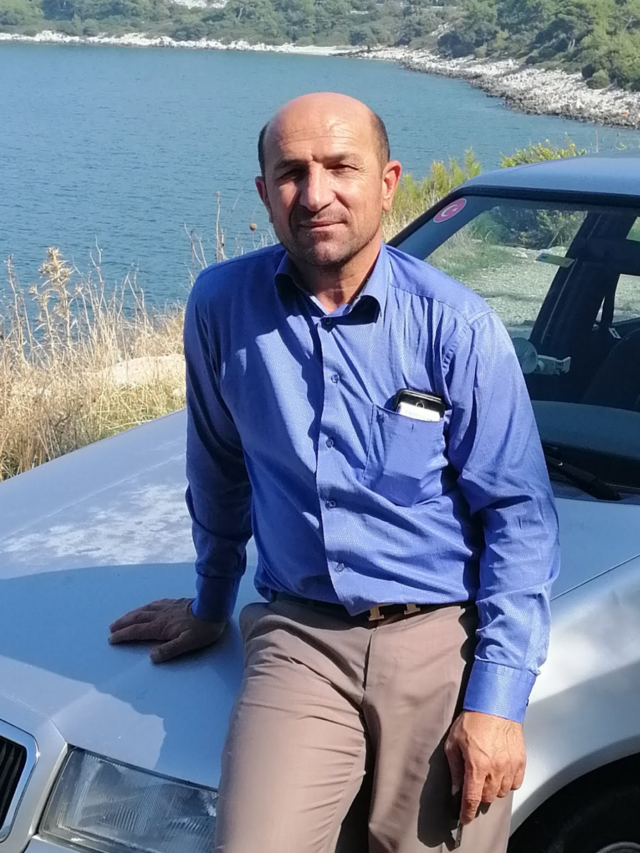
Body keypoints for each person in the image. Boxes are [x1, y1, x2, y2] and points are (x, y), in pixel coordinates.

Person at [109, 92, 560, 853]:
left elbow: (518, 519)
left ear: (387, 183)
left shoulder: (456, 327)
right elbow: (218, 467)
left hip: (439, 637)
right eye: (292, 173)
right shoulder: (222, 306)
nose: (315, 194)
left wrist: (497, 702)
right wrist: (211, 602)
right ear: (264, 193)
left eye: (340, 167)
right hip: (300, 637)